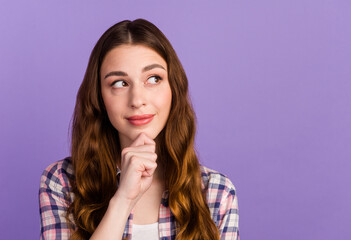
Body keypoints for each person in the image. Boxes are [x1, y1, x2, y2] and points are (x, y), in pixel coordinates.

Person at [39, 19, 239, 240]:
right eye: (119, 83)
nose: (137, 100)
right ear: (99, 97)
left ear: (174, 87)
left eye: (153, 79)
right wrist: (123, 199)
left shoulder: (216, 192)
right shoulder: (63, 181)